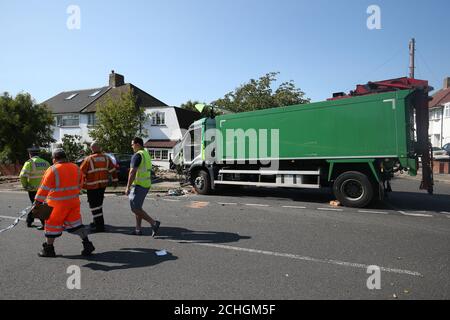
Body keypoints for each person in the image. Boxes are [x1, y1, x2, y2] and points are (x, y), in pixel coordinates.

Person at [32, 148, 95, 258]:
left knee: (51, 226)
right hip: (73, 202)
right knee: (76, 224)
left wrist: (37, 202)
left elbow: (44, 188)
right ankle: (87, 244)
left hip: (56, 205)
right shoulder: (75, 167)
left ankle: (48, 249)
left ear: (54, 158)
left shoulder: (52, 170)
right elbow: (81, 184)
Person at [80, 141, 118, 233]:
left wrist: (79, 185)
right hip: (103, 185)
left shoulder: (89, 159)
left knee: (94, 206)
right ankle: (95, 222)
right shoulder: (106, 158)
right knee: (99, 204)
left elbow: (80, 173)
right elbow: (113, 170)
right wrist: (115, 181)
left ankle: (99, 226)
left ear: (92, 148)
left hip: (92, 186)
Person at [125, 137, 160, 236]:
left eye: (132, 144)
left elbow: (132, 172)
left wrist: (127, 187)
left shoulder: (137, 155)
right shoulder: (146, 153)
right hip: (146, 184)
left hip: (139, 185)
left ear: (137, 144)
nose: (131, 146)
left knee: (135, 208)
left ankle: (154, 223)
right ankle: (138, 229)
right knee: (138, 207)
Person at [19, 147, 50, 229]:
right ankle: (30, 220)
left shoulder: (29, 162)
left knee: (36, 205)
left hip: (33, 189)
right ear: (38, 154)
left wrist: (25, 185)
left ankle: (42, 223)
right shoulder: (46, 162)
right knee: (38, 205)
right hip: (44, 189)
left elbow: (22, 176)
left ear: (30, 154)